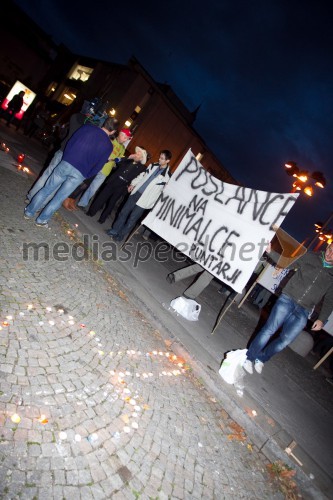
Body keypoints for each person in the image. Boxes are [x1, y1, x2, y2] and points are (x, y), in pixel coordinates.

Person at [242, 243, 333, 374]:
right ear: (328, 246)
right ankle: (249, 358)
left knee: (285, 340)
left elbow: (330, 300)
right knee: (269, 329)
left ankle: (261, 358)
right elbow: (288, 263)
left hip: (304, 310)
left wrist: (322, 319)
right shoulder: (311, 256)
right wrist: (270, 251)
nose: (330, 254)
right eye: (330, 249)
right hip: (288, 298)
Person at [23, 117, 119, 227]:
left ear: (105, 123)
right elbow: (99, 165)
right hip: (81, 172)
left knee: (47, 189)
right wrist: (87, 175)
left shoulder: (87, 128)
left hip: (67, 163)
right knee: (59, 198)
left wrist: (66, 157)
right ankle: (41, 220)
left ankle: (28, 212)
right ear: (113, 131)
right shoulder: (108, 146)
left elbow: (71, 142)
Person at [107, 150, 172, 242]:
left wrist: (152, 203)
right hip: (136, 193)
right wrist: (133, 184)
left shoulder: (168, 177)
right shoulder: (153, 165)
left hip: (144, 200)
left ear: (167, 161)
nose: (159, 159)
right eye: (159, 157)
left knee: (131, 220)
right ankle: (114, 231)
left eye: (162, 158)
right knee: (123, 212)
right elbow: (142, 175)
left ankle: (120, 236)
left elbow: (162, 193)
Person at [26, 112, 86, 203]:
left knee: (47, 175)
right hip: (72, 157)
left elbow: (76, 116)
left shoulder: (76, 118)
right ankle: (40, 203)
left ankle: (31, 197)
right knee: (56, 184)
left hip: (63, 151)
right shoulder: (89, 127)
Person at [86, 146, 148, 223]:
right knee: (102, 196)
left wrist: (131, 185)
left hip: (122, 185)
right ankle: (91, 212)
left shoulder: (141, 168)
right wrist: (128, 157)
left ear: (141, 158)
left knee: (111, 203)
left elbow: (138, 178)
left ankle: (102, 219)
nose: (136, 155)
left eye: (139, 155)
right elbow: (118, 160)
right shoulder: (127, 159)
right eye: (137, 153)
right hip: (114, 180)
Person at [74, 128, 132, 209]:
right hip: (97, 165)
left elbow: (119, 158)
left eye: (127, 138)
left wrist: (118, 161)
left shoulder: (122, 148)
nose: (125, 140)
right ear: (120, 134)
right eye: (125, 137)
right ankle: (71, 197)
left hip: (106, 171)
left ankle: (82, 204)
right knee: (84, 183)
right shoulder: (111, 140)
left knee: (93, 189)